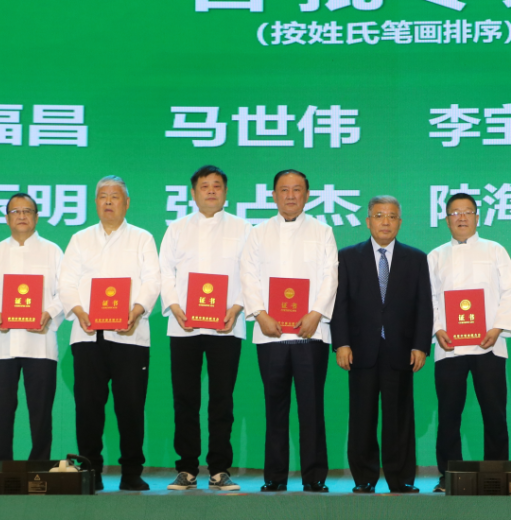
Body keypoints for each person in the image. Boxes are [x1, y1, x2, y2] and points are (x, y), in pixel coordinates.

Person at [58, 175, 161, 491]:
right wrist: (78, 310)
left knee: (131, 406)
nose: (108, 201)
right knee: (88, 407)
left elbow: (152, 280)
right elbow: (66, 281)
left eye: (115, 196)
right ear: (95, 202)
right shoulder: (80, 239)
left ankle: (131, 472)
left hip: (130, 335)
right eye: (103, 196)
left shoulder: (142, 238)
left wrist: (137, 310)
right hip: (88, 335)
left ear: (126, 203)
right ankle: (91, 470)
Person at [239, 169, 338, 492]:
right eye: (284, 190)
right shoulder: (258, 233)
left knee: (312, 407)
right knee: (275, 407)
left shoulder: (322, 232)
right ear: (273, 195)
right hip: (270, 334)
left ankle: (314, 477)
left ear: (307, 195)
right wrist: (260, 314)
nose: (291, 195)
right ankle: (275, 477)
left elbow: (330, 277)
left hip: (311, 334)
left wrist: (316, 313)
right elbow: (248, 276)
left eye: (297, 190)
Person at [333, 195, 433, 494]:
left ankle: (400, 479)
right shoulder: (347, 257)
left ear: (400, 222)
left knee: (399, 419)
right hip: (360, 350)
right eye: (379, 216)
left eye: (391, 216)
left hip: (400, 351)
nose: (385, 222)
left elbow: (423, 306)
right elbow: (340, 304)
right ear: (368, 221)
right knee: (362, 417)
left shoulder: (416, 258)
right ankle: (364, 478)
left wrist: (420, 345)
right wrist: (341, 343)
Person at [159, 166, 250, 492]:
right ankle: (186, 469)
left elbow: (251, 272)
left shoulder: (243, 228)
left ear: (226, 192)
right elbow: (165, 272)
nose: (211, 191)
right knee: (185, 399)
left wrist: (237, 306)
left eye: (217, 186)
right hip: (184, 326)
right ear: (193, 193)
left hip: (226, 325)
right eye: (204, 186)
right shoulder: (177, 229)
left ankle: (219, 469)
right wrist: (174, 306)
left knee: (221, 399)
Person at [428, 192, 511, 493]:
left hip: (488, 344)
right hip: (449, 347)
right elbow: (429, 298)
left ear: (477, 218)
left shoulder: (495, 250)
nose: (462, 217)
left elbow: (510, 291)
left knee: (494, 413)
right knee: (449, 414)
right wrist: (437, 329)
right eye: (455, 212)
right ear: (446, 220)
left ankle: (497, 473)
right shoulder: (436, 256)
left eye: (467, 211)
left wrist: (498, 327)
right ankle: (449, 474)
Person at [0, 193, 63, 463]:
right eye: (15, 211)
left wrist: (49, 313)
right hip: (3, 344)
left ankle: (39, 469)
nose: (21, 216)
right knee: (1, 411)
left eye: (27, 211)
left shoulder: (53, 252)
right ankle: (1, 469)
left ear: (37, 217)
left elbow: (66, 292)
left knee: (41, 412)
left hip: (41, 343)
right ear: (7, 218)